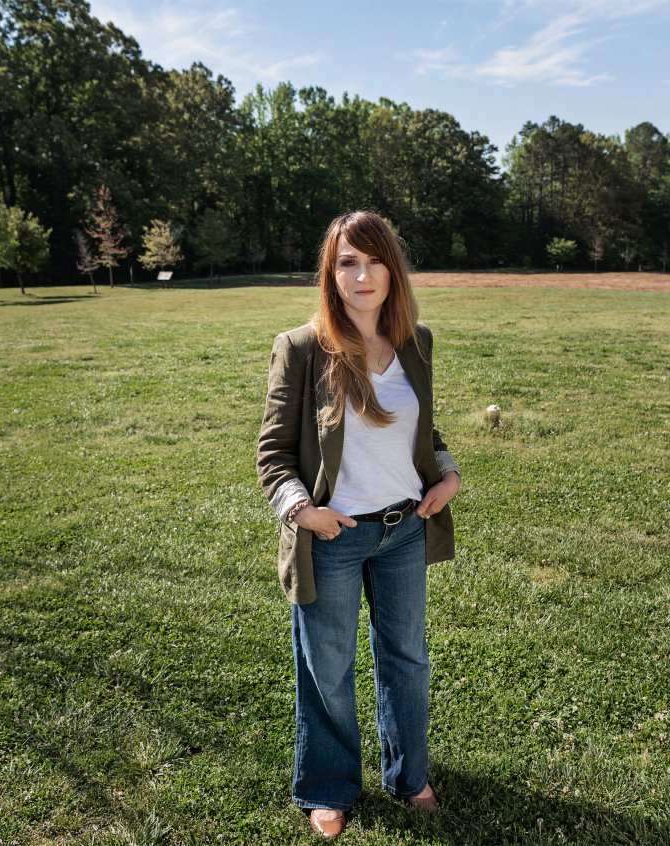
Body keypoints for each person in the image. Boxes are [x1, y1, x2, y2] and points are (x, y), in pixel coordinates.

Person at [256, 210, 460, 839]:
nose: (362, 273)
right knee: (328, 668)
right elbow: (272, 454)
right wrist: (301, 511)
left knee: (407, 660)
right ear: (331, 272)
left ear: (392, 270)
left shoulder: (416, 341)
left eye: (374, 260)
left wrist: (447, 474)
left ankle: (409, 775)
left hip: (403, 531)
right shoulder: (302, 348)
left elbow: (425, 431)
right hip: (333, 537)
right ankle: (327, 786)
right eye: (348, 261)